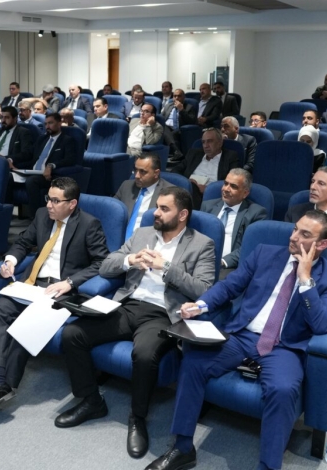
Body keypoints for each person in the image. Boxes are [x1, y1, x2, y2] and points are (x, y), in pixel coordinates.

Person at [148, 210, 327, 470]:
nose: (294, 236)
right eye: (295, 229)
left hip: (284, 347)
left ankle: (268, 466)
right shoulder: (265, 253)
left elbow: (323, 324)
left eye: (304, 234)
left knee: (282, 390)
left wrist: (306, 281)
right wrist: (201, 305)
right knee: (193, 361)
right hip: (242, 335)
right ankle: (183, 448)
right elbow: (230, 286)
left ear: (322, 244)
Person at [57, 187, 215, 459]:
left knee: (143, 354)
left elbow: (205, 290)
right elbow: (106, 265)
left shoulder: (202, 244)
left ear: (182, 215)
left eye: (164, 209)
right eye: (157, 206)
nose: (156, 212)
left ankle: (137, 418)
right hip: (128, 305)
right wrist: (130, 260)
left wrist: (166, 268)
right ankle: (91, 401)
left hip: (162, 314)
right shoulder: (143, 234)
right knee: (73, 333)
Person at [0, 177, 109, 415]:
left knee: (27, 321)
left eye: (55, 201)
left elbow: (101, 262)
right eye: (48, 198)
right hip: (34, 286)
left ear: (72, 204)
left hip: (61, 291)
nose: (49, 205)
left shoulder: (89, 224)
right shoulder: (43, 215)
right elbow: (23, 242)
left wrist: (70, 282)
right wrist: (11, 261)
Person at [201, 168, 268, 271]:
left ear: (245, 193)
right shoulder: (207, 206)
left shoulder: (256, 213)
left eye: (233, 186)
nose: (226, 189)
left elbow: (250, 246)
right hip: (200, 261)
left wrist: (222, 262)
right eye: (225, 183)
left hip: (229, 267)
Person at [21, 113, 78, 217]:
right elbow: (30, 155)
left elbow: (70, 160)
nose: (47, 126)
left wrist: (51, 165)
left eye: (50, 123)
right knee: (9, 177)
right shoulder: (42, 139)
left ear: (59, 123)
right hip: (32, 171)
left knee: (31, 181)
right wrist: (12, 162)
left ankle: (36, 218)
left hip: (50, 176)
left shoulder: (67, 140)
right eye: (46, 124)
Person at [115, 153, 175, 240]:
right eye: (135, 170)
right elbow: (113, 214)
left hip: (149, 241)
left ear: (156, 173)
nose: (137, 176)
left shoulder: (170, 193)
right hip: (120, 239)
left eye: (142, 172)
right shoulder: (126, 186)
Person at [180, 128, 241, 209]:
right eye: (203, 142)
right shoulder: (193, 154)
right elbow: (176, 170)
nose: (205, 146)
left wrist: (209, 189)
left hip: (211, 194)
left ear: (220, 143)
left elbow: (234, 180)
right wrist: (186, 183)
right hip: (187, 189)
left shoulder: (230, 157)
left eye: (210, 141)